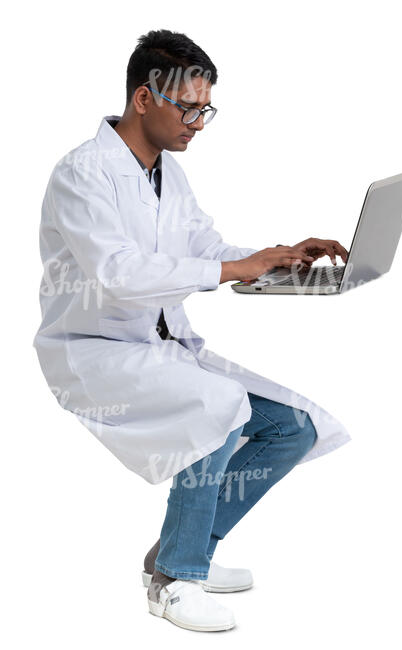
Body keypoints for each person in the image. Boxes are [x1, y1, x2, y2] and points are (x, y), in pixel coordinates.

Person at [33, 29, 351, 632]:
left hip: (160, 346)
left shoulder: (166, 174)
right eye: (187, 107)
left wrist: (275, 255)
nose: (198, 123)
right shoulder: (83, 172)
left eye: (205, 109)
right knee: (218, 406)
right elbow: (118, 273)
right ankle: (178, 583)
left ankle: (184, 552)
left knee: (293, 427)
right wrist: (234, 268)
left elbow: (204, 246)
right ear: (144, 98)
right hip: (93, 352)